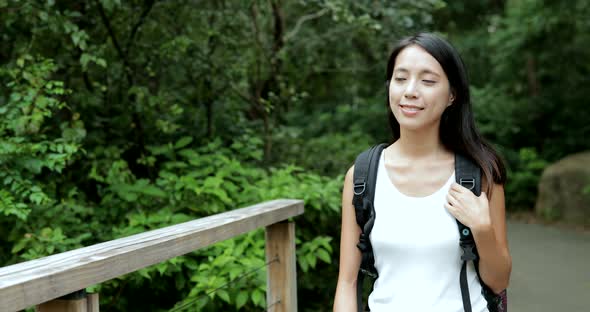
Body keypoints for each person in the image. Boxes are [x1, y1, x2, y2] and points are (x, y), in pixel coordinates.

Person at [333, 33, 512, 312]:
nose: (410, 91)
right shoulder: (362, 177)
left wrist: (482, 229)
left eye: (427, 81)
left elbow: (499, 281)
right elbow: (347, 283)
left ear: (452, 94)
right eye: (401, 78)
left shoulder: (479, 176)